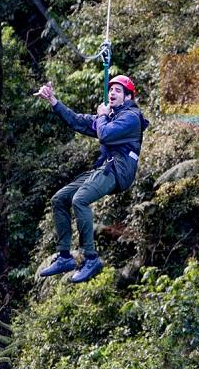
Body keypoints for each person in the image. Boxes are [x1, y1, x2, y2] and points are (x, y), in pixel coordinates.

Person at [33, 74, 149, 282]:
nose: (112, 93)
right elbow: (78, 122)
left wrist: (103, 115)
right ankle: (64, 256)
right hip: (105, 167)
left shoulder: (131, 118)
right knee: (59, 199)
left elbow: (105, 134)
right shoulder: (110, 117)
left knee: (80, 199)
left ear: (128, 97)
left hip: (119, 170)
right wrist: (53, 101)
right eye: (111, 90)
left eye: (117, 91)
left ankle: (91, 258)